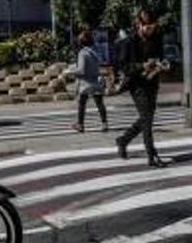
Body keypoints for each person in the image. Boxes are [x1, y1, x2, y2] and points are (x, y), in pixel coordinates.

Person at [115, 10, 168, 168]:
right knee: (147, 118)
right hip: (136, 84)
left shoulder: (157, 38)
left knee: (147, 117)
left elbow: (161, 56)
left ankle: (123, 140)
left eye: (152, 27)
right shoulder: (129, 42)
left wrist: (162, 64)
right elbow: (123, 66)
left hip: (152, 82)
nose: (150, 30)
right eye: (146, 27)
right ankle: (152, 155)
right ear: (139, 25)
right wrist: (141, 66)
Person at [70, 29, 108, 133]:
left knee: (82, 103)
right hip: (96, 80)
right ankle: (104, 124)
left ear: (81, 42)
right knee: (100, 103)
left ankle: (80, 124)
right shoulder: (95, 51)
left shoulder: (82, 53)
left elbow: (81, 70)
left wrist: (70, 72)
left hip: (86, 83)